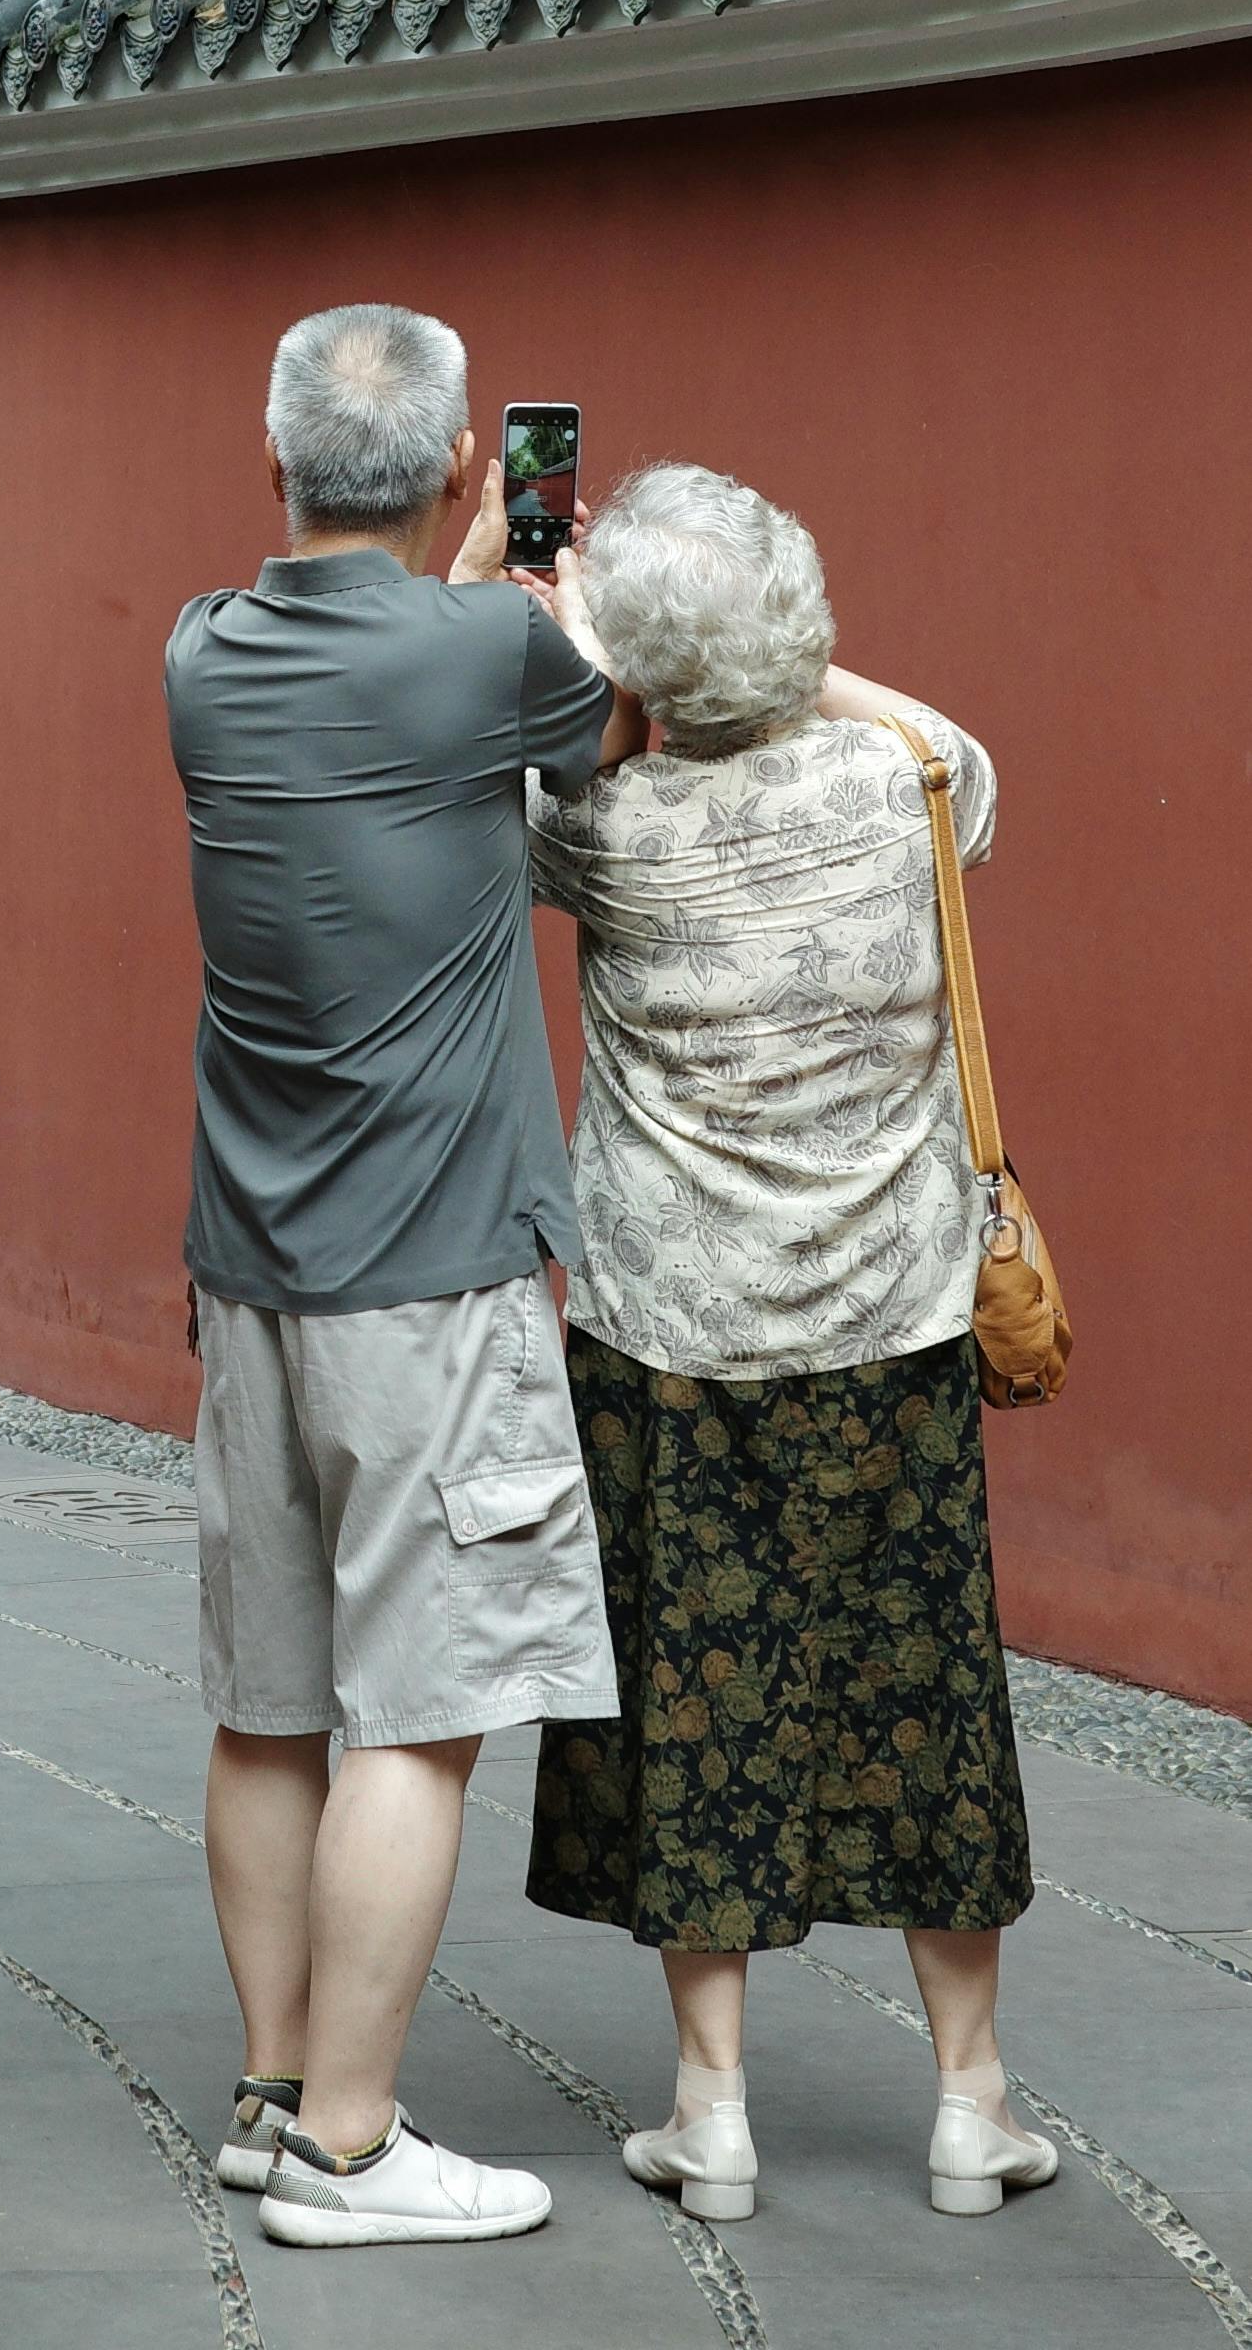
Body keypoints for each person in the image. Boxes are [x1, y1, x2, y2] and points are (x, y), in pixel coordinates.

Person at [523, 463, 1049, 2228]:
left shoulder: (601, 831)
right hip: (890, 1321)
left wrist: (586, 648)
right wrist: (779, 664)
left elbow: (538, 780)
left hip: (674, 1330)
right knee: (922, 1693)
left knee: (701, 1696)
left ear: (650, 667)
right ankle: (969, 2104)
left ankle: (713, 2110)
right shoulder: (910, 786)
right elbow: (935, 741)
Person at [166, 301, 637, 2249]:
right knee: (417, 1716)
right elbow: (605, 715)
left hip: (247, 1272)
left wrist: (474, 581)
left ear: (268, 462)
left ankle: (273, 2091)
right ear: (465, 462)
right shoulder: (490, 648)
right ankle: (353, 2149)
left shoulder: (198, 651)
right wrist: (549, 579)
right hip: (432, 1277)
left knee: (268, 1704)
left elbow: (424, 677)